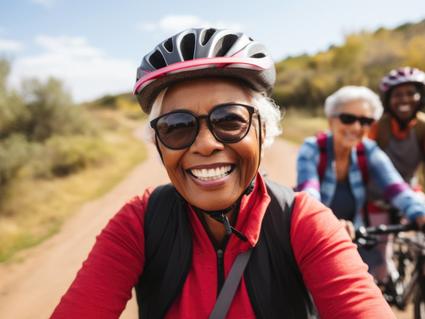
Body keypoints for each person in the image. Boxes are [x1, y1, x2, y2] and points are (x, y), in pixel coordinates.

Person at [52, 28, 394, 318]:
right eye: (177, 126)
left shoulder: (303, 221)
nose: (204, 144)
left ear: (262, 131)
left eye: (229, 120)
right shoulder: (139, 224)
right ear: (158, 144)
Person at [296, 85, 425, 282]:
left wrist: (419, 212)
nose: (357, 127)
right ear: (331, 120)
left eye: (365, 121)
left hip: (354, 237)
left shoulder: (369, 151)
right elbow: (309, 194)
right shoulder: (312, 149)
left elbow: (396, 187)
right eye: (348, 118)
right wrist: (327, 223)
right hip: (314, 237)